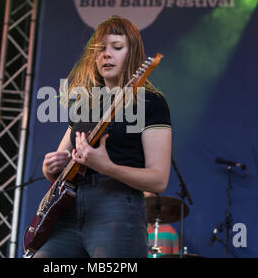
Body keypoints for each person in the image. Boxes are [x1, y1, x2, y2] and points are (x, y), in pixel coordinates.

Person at [34, 15, 172, 258]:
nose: (106, 55)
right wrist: (49, 166)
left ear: (133, 55)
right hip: (67, 213)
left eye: (117, 48)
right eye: (100, 50)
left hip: (117, 210)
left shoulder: (152, 102)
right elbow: (59, 168)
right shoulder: (85, 103)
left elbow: (159, 180)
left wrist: (106, 167)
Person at [143, 192, 180, 258]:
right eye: (145, 199)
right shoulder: (133, 232)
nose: (147, 203)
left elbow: (178, 255)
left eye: (151, 199)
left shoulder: (169, 231)